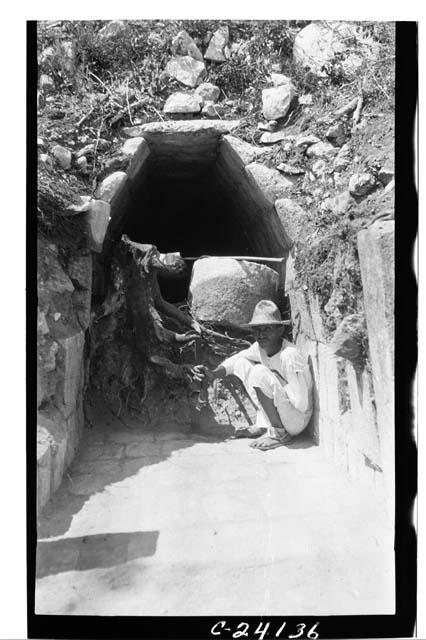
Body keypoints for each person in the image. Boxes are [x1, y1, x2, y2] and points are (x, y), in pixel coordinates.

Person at [192, 300, 313, 450]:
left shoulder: (289, 355)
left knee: (259, 373)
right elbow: (237, 360)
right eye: (257, 329)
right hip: (284, 413)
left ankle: (279, 434)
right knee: (243, 363)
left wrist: (276, 383)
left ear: (280, 330)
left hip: (297, 420)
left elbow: (301, 404)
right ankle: (264, 425)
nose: (261, 334)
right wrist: (213, 374)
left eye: (267, 329)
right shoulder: (260, 348)